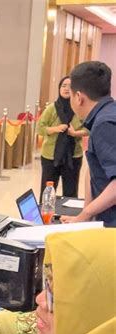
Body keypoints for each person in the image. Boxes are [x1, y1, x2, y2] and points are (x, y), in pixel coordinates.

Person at [61, 61, 116, 227]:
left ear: (78, 97)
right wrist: (86, 213)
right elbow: (95, 168)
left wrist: (85, 214)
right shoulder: (105, 115)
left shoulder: (105, 124)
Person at [37, 76, 88, 200]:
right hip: (51, 156)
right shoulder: (52, 108)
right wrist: (55, 129)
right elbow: (40, 128)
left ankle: (67, 218)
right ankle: (45, 218)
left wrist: (75, 133)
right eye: (63, 86)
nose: (66, 89)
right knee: (47, 192)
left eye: (70, 86)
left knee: (70, 192)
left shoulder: (80, 109)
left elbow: (89, 129)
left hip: (73, 156)